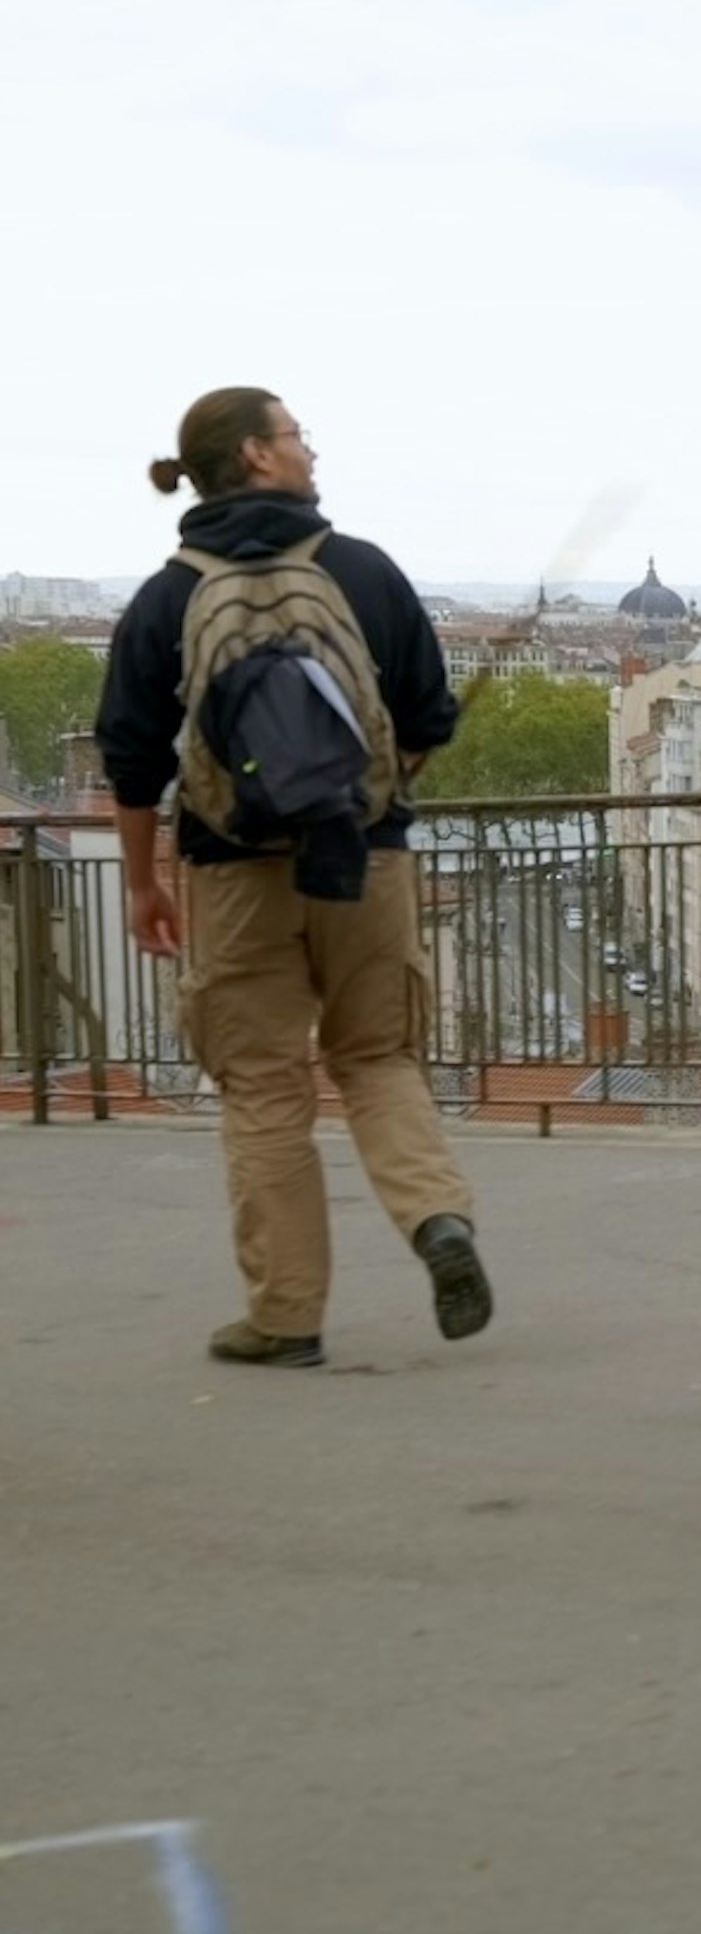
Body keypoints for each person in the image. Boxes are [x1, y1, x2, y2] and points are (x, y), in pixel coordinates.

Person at [98, 387, 493, 1367]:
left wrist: (142, 885)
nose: (310, 449)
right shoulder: (361, 570)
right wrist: (375, 790)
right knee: (377, 1056)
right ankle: (437, 1218)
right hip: (366, 858)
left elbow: (131, 756)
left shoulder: (167, 594)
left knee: (264, 1086)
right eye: (295, 435)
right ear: (256, 456)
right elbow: (428, 715)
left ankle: (284, 1315)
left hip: (233, 872)